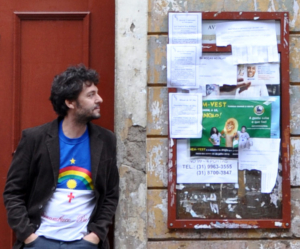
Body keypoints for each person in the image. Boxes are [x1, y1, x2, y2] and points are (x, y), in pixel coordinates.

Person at [3, 65, 119, 249]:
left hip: (84, 243)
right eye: (90, 95)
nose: (100, 99)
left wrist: (96, 235)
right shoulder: (35, 138)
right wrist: (29, 237)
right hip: (40, 241)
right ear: (70, 103)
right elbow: (13, 192)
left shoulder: (106, 140)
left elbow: (111, 194)